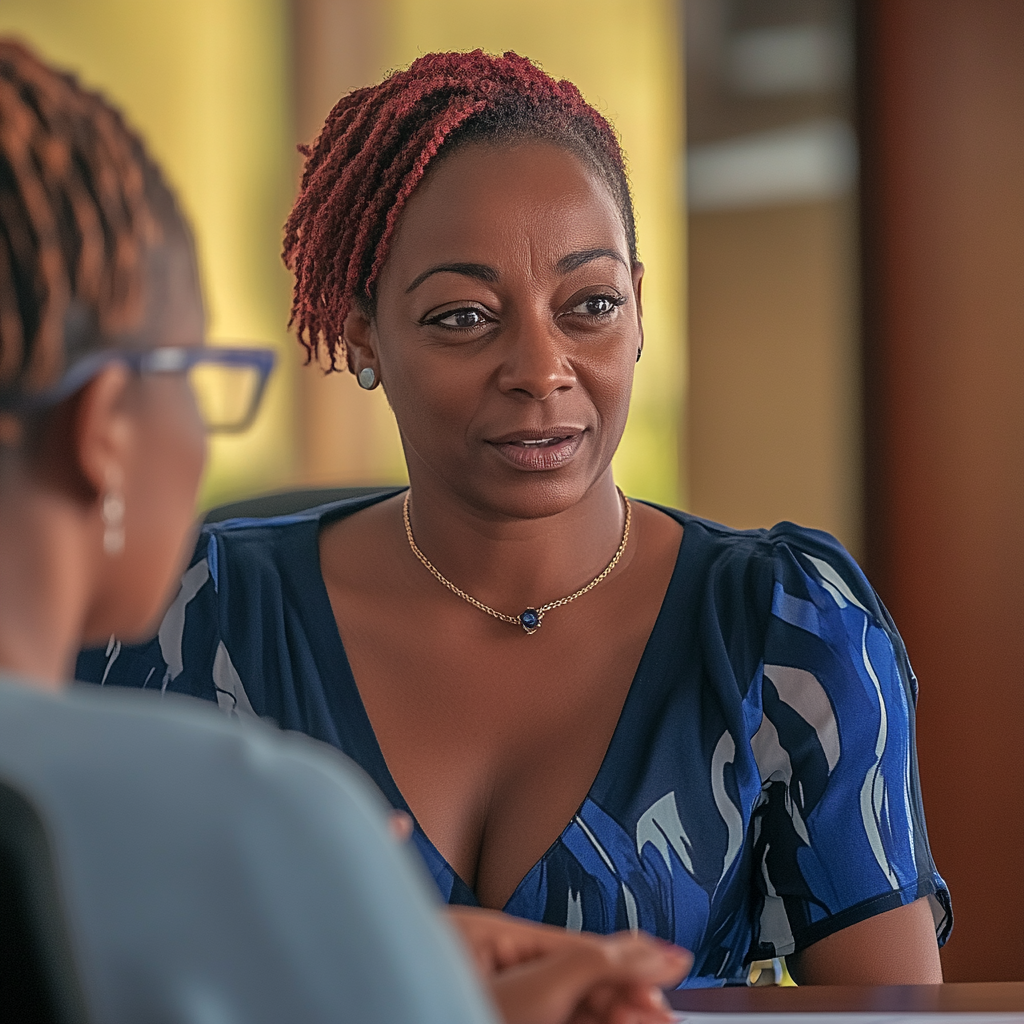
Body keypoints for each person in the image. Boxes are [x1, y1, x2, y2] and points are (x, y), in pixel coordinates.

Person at [81, 50, 951, 987]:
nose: (541, 369)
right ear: (363, 327)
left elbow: (888, 1017)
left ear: (640, 309)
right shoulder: (183, 624)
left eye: (591, 305)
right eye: (462, 317)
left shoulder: (784, 631)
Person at [0, 38, 691, 1024]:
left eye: (589, 303)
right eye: (192, 376)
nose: (540, 370)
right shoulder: (262, 821)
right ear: (102, 427)